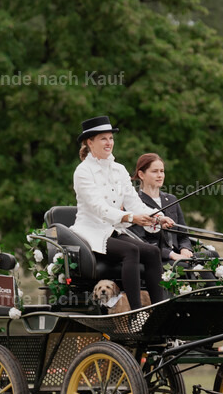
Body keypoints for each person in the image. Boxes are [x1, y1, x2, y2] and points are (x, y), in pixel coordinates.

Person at [70, 116, 173, 309]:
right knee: (131, 251)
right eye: (103, 138)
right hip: (90, 233)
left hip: (112, 231)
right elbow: (99, 208)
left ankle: (159, 310)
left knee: (152, 252)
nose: (109, 143)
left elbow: (134, 202)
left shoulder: (119, 169)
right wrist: (131, 218)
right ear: (90, 142)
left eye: (111, 138)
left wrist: (157, 218)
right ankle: (134, 311)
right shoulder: (82, 171)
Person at [129, 153, 195, 264]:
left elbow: (183, 235)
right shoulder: (134, 203)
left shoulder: (172, 199)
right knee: (184, 267)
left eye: (162, 171)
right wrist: (172, 255)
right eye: (155, 171)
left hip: (179, 255)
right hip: (158, 258)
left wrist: (185, 249)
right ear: (141, 174)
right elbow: (141, 241)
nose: (160, 175)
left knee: (211, 256)